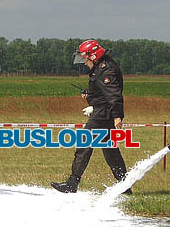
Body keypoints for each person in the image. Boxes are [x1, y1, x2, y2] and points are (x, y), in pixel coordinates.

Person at [51, 39, 129, 193]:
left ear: (93, 56)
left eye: (85, 58)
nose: (84, 63)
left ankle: (72, 184)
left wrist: (117, 116)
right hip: (103, 111)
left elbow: (113, 94)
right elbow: (102, 92)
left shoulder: (106, 70)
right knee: (110, 150)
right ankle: (125, 186)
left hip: (104, 114)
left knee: (84, 144)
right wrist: (89, 95)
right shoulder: (100, 68)